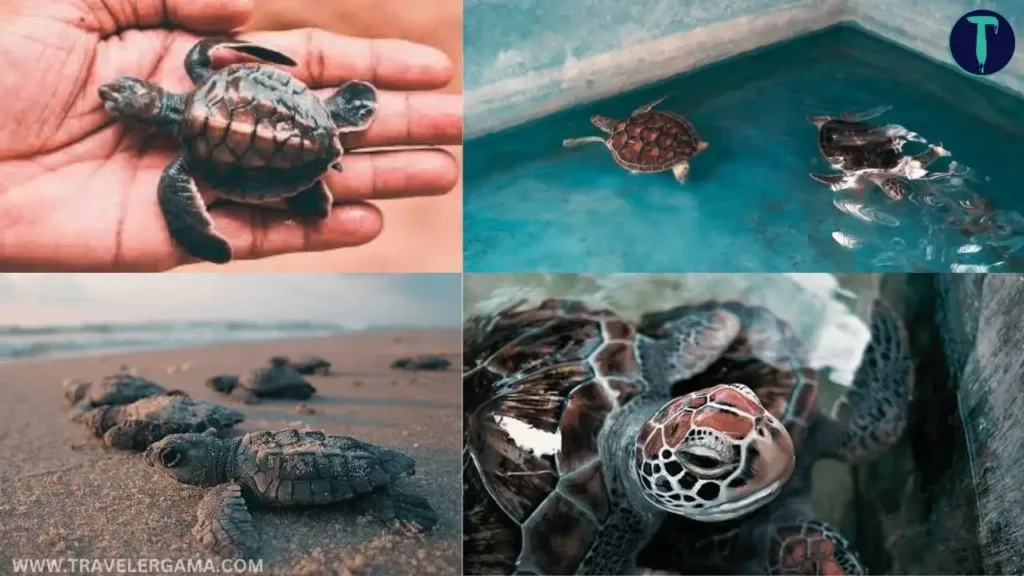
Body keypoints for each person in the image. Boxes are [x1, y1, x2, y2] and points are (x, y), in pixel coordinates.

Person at [0, 0, 462, 271]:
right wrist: (264, 58)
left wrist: (200, 238)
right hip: (292, 111)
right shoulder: (200, 72)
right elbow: (216, 50)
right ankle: (329, 131)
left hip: (277, 148)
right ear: (150, 99)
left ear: (146, 119)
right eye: (122, 99)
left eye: (124, 94)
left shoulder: (183, 169)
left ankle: (308, 188)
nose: (112, 92)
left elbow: (186, 222)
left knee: (298, 201)